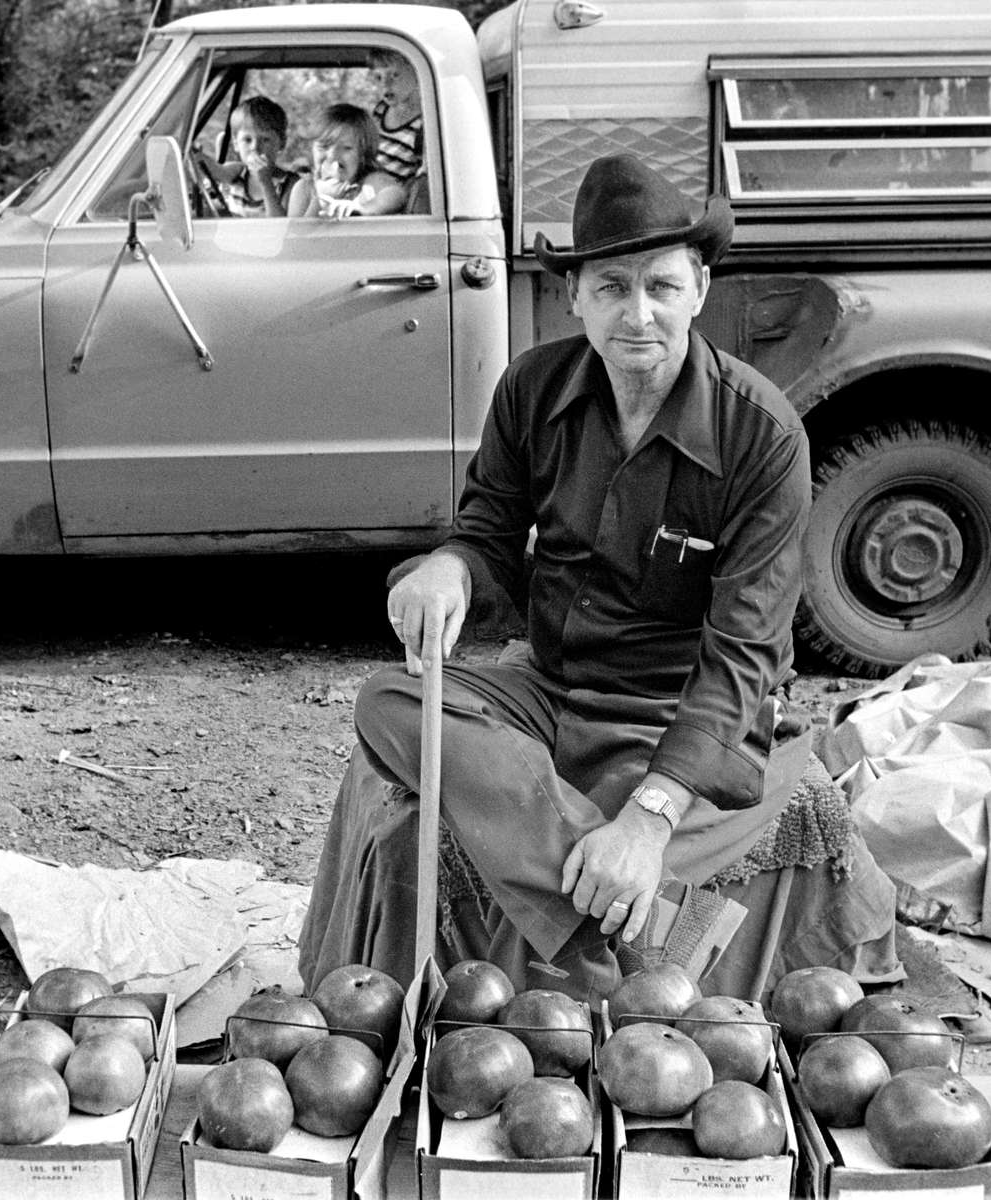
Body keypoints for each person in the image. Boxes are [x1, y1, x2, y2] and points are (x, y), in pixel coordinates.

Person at [296, 154, 899, 1005]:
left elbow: (746, 654)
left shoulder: (762, 435)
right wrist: (444, 570)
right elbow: (488, 537)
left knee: (620, 820)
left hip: (669, 712)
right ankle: (637, 921)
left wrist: (647, 822)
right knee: (388, 703)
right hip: (547, 688)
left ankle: (592, 936)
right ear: (575, 295)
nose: (638, 313)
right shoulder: (533, 389)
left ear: (698, 288)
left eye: (660, 285)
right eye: (612, 287)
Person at [286, 104, 406, 220]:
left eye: (346, 148)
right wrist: (320, 200)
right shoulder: (305, 188)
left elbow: (395, 194)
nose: (332, 156)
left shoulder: (369, 182)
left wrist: (360, 208)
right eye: (323, 146)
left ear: (363, 156)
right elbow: (294, 236)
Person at [196, 96, 299, 218]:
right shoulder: (236, 172)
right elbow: (214, 169)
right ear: (236, 144)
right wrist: (196, 154)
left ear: (281, 143)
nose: (255, 147)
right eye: (247, 140)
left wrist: (266, 183)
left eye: (265, 140)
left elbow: (279, 227)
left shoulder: (290, 184)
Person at [368, 48, 424, 184]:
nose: (385, 84)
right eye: (378, 77)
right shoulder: (380, 110)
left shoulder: (424, 124)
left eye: (394, 75)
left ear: (417, 72)